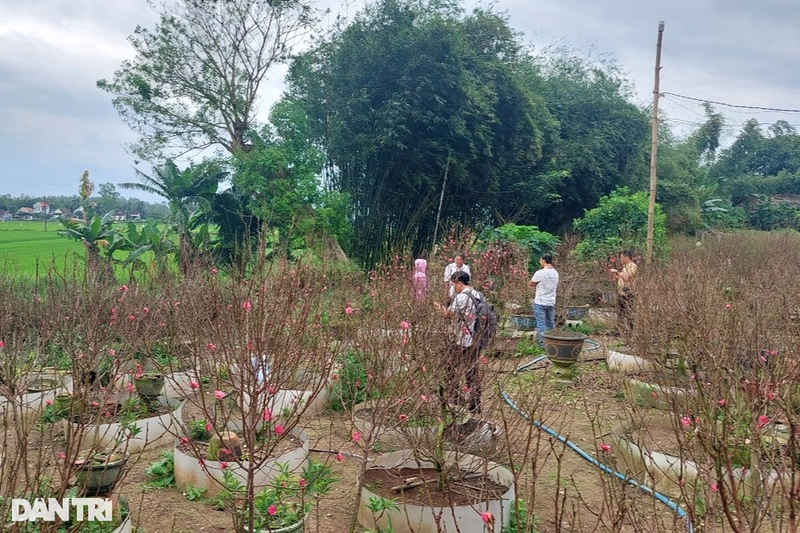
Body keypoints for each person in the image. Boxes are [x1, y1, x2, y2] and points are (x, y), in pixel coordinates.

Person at [445, 271, 483, 413]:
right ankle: (475, 403)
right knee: (472, 371)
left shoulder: (461, 297)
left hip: (462, 340)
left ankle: (456, 398)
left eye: (454, 284)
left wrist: (438, 308)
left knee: (450, 367)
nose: (453, 287)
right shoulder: (478, 294)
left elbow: (449, 313)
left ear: (460, 283)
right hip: (476, 339)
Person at [528, 253, 559, 348]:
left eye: (540, 260)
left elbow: (531, 284)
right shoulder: (556, 273)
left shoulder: (540, 273)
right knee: (550, 324)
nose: (539, 262)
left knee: (541, 324)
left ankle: (543, 344)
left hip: (540, 302)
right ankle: (552, 343)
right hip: (551, 302)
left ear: (544, 260)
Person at [609, 250, 638, 335]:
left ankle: (630, 332)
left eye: (621, 257)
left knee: (629, 314)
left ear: (627, 257)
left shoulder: (633, 266)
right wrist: (617, 277)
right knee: (620, 313)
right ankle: (618, 330)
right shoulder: (625, 267)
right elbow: (622, 279)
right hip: (621, 293)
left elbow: (626, 278)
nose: (620, 259)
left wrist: (617, 272)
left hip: (629, 294)